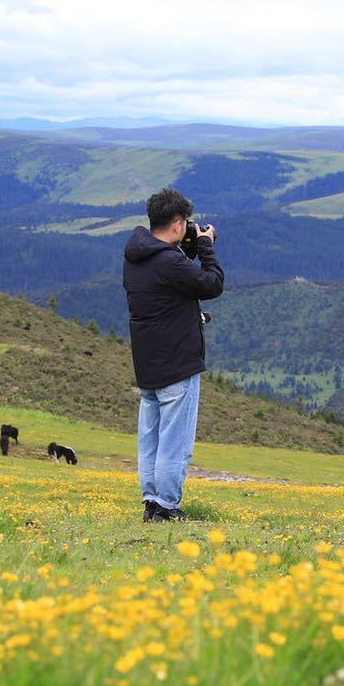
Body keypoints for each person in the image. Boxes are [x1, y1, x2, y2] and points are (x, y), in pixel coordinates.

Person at [123, 187, 224, 522]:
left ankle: (151, 502)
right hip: (177, 363)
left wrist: (187, 252)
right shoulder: (168, 261)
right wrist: (206, 246)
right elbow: (211, 284)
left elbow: (174, 279)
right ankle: (167, 506)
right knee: (174, 442)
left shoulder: (136, 256)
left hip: (148, 364)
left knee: (149, 439)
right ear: (178, 224)